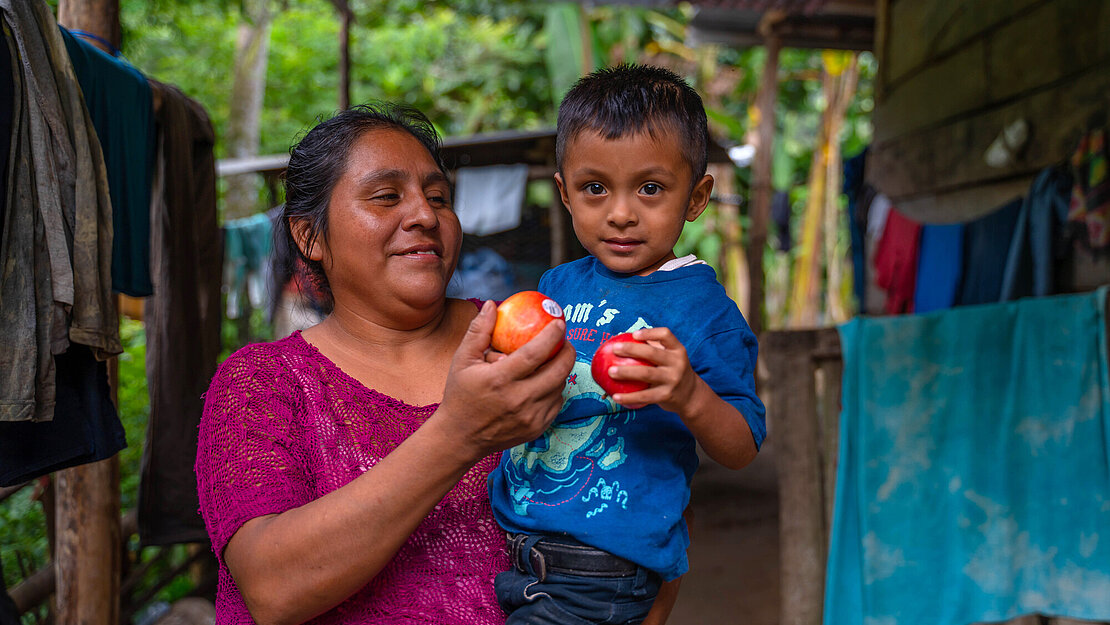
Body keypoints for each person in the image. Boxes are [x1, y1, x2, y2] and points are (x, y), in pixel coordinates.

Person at [195, 103, 578, 625]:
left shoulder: (527, 345)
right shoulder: (261, 383)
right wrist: (459, 434)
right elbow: (270, 586)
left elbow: (645, 500)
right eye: (386, 196)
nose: (425, 215)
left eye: (439, 197)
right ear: (309, 237)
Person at [488, 65, 767, 624]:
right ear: (565, 193)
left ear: (696, 196)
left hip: (601, 571)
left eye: (650, 188)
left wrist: (688, 392)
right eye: (596, 188)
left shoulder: (704, 312)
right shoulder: (556, 287)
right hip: (511, 551)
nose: (620, 213)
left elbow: (741, 447)